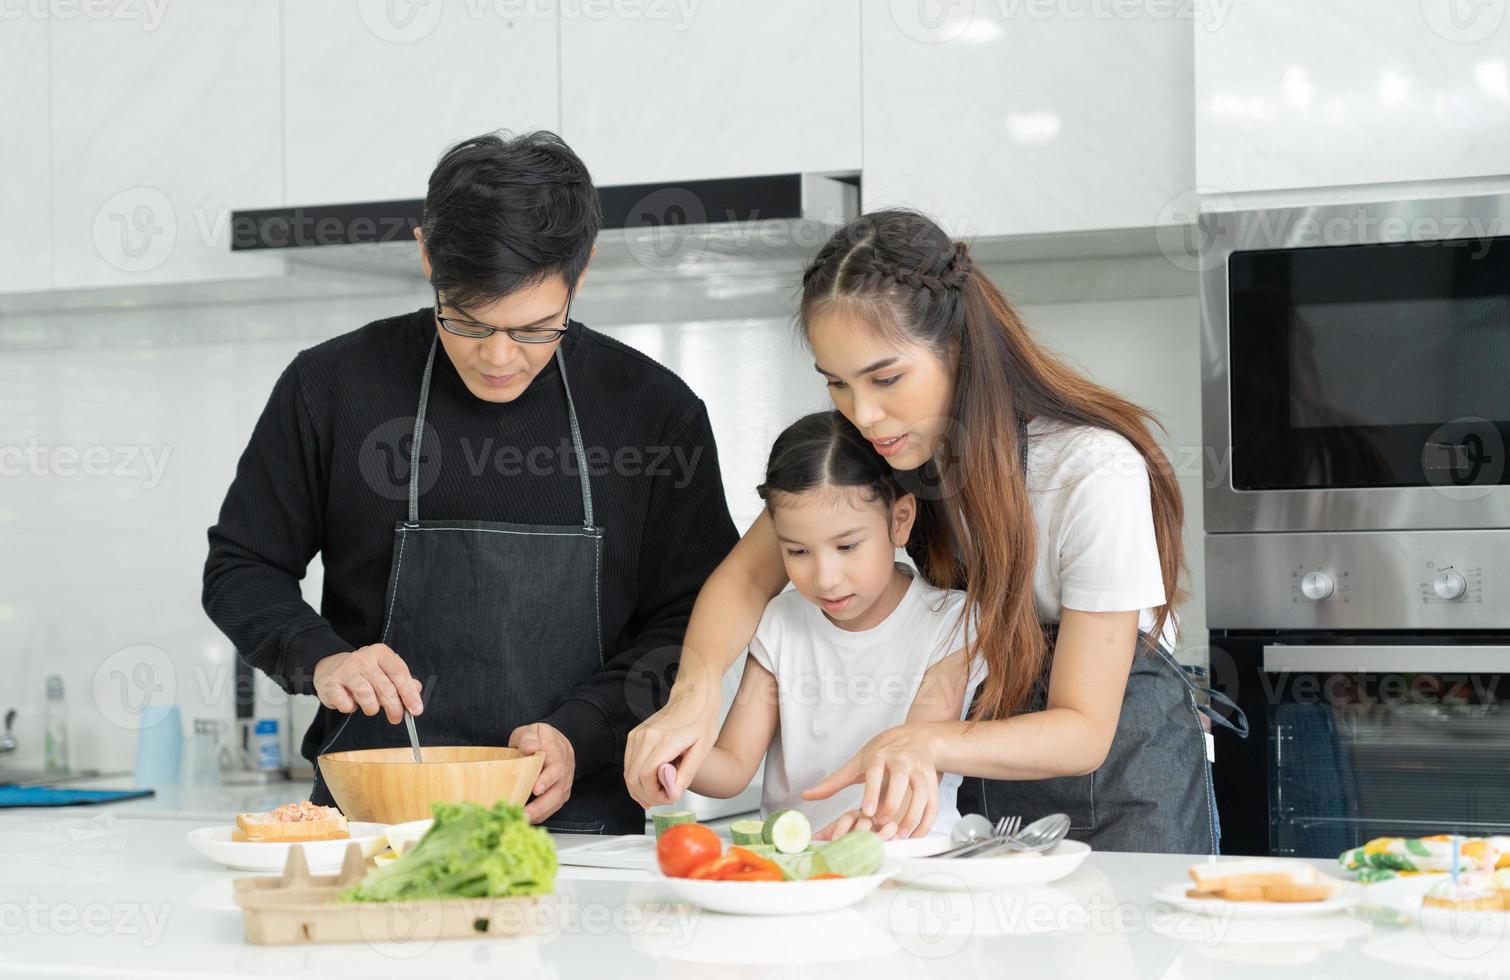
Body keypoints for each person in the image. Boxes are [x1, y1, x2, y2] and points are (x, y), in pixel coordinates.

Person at [626, 209, 1246, 852]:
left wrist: (923, 741)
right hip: (979, 799)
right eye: (837, 383)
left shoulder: (1090, 471)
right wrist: (691, 699)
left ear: (957, 346)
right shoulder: (892, 452)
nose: (862, 412)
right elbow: (745, 578)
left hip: (1120, 790)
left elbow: (1084, 729)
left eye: (886, 378)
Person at [203, 131, 739, 834]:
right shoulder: (331, 389)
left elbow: (692, 616)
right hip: (367, 829)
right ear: (427, 255)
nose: (498, 359)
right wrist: (321, 657)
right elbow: (241, 568)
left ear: (582, 273)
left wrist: (584, 730)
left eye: (537, 329)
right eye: (466, 321)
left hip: (581, 836)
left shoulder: (653, 411)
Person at [686, 411, 981, 837]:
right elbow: (731, 768)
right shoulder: (780, 623)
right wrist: (673, 755)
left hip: (908, 861)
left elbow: (913, 770)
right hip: (798, 871)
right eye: (798, 552)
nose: (824, 578)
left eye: (846, 546)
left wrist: (865, 828)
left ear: (900, 520)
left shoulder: (949, 624)